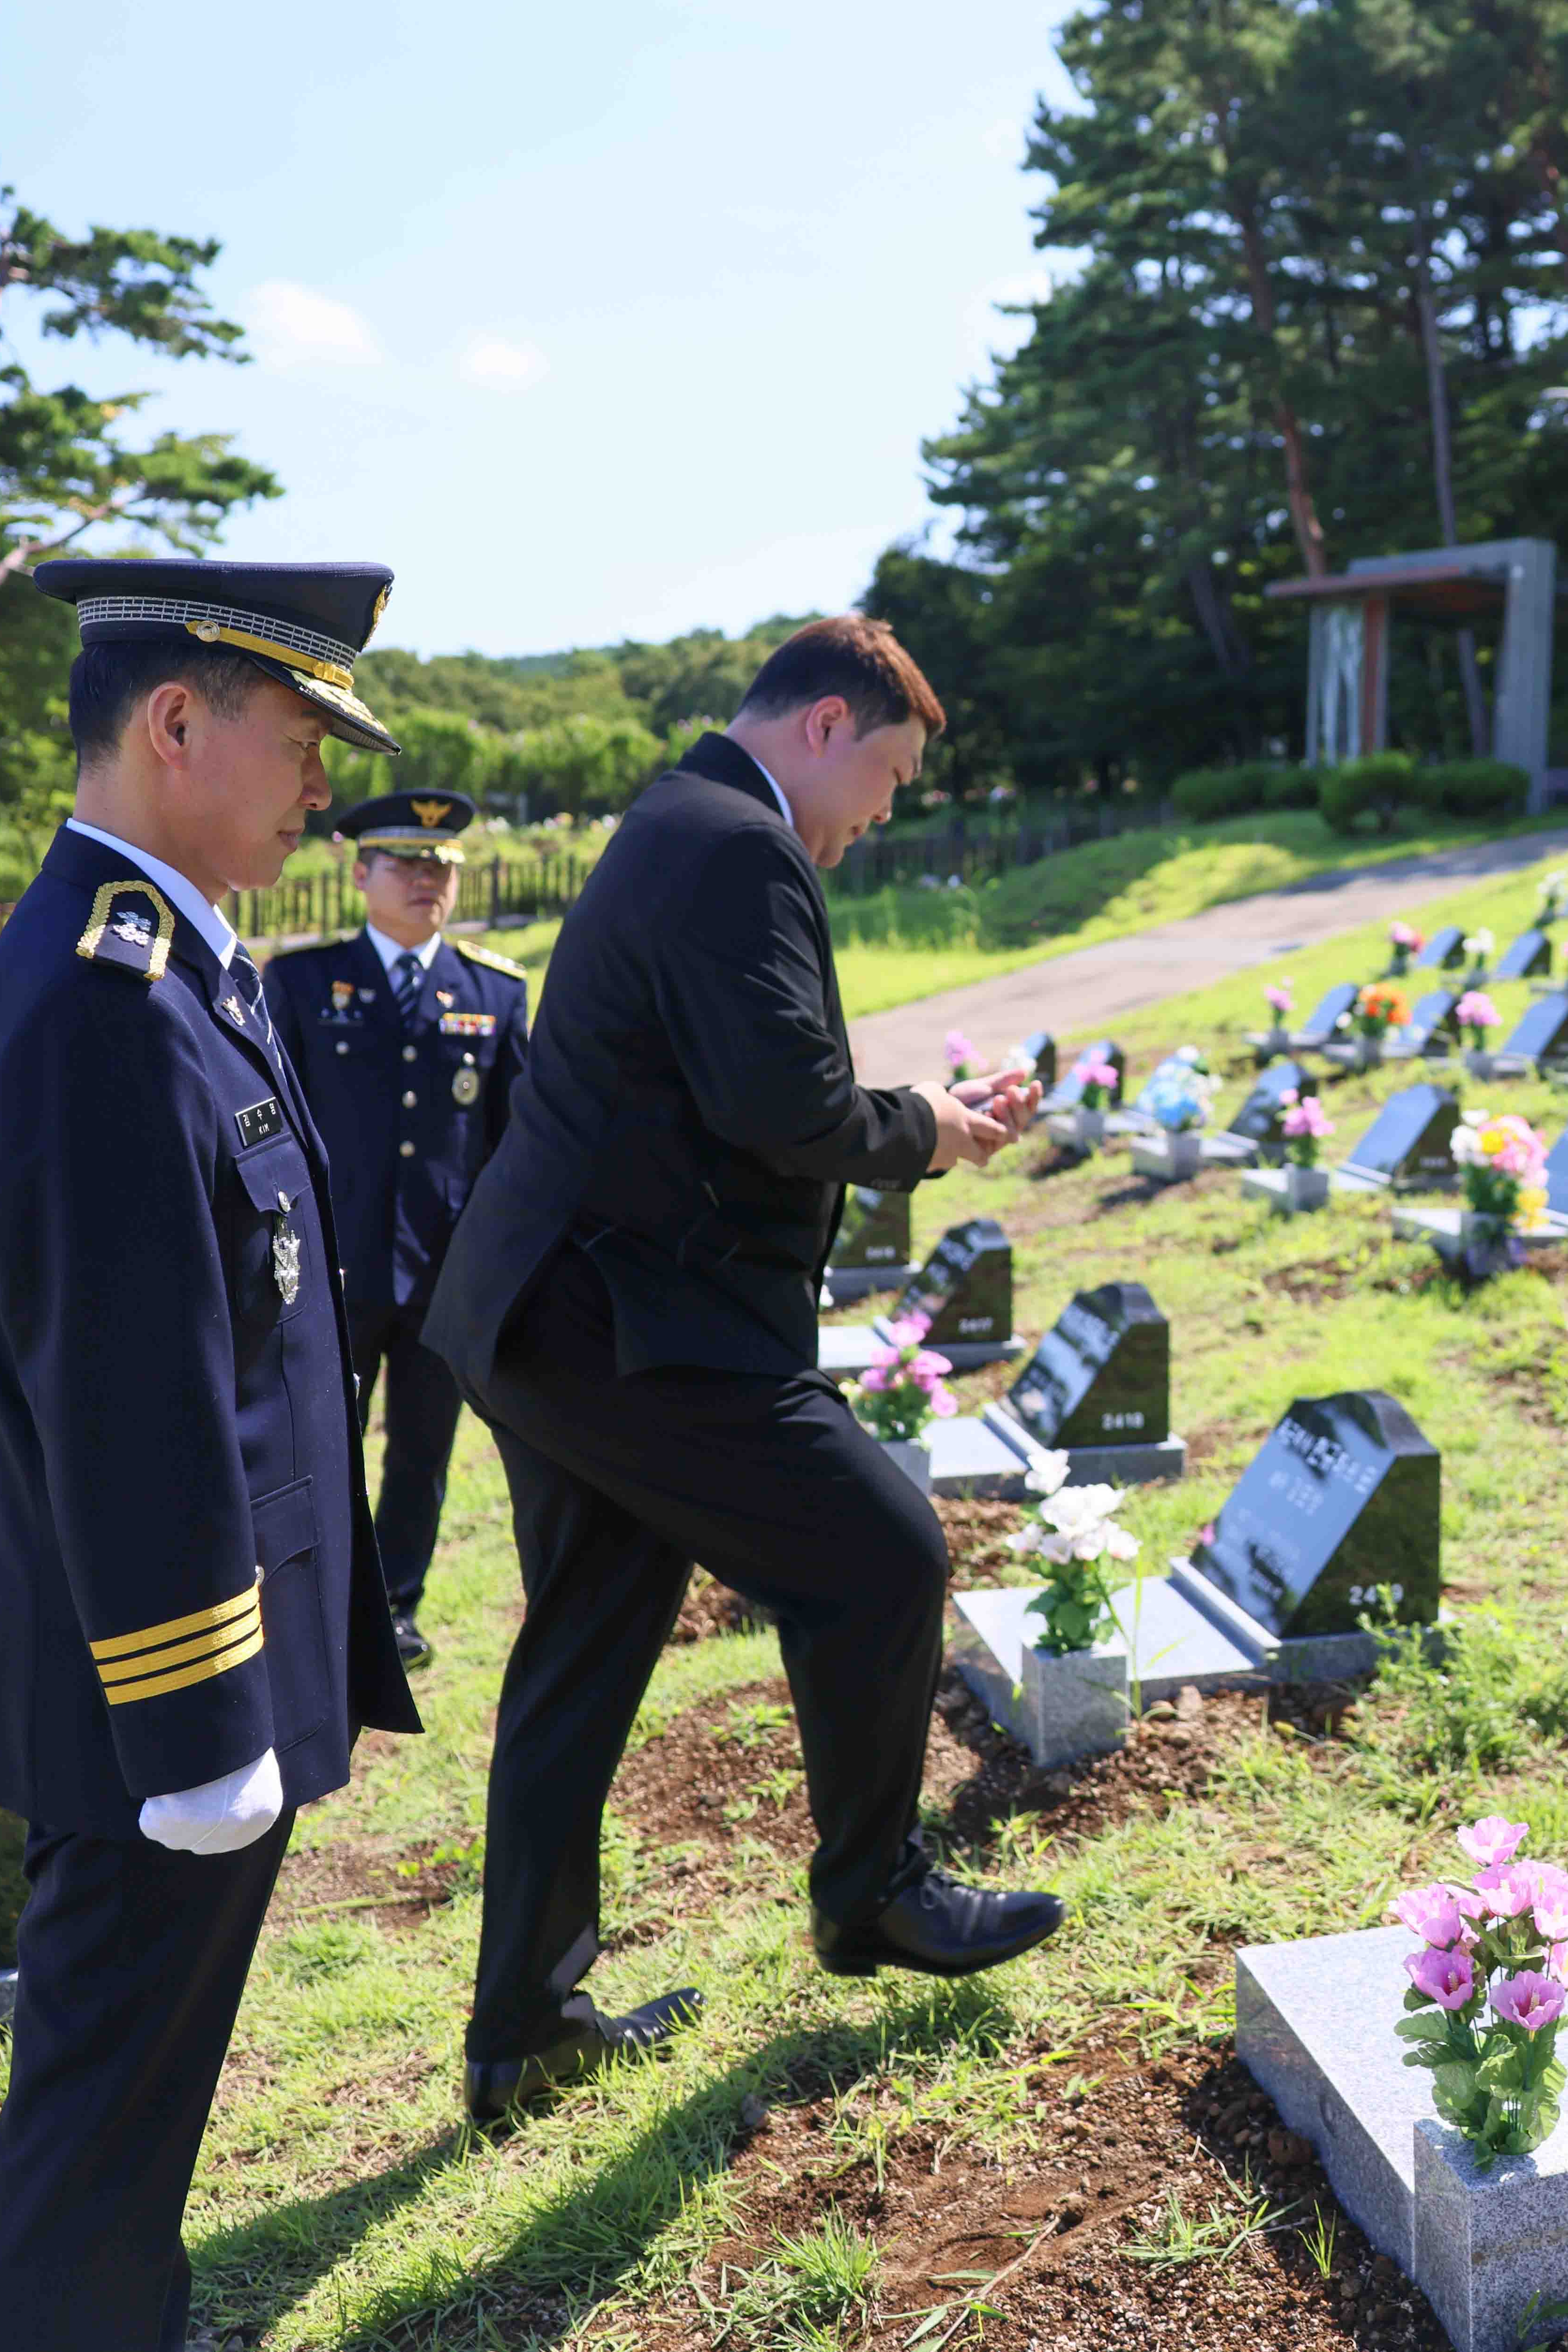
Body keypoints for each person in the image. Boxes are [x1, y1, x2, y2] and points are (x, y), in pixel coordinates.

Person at [423, 614, 1053, 2123]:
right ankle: (874, 1890)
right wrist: (932, 1128)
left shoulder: (676, 818)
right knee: (883, 1552)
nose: (884, 812)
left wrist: (903, 1111)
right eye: (890, 775)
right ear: (827, 726)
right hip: (632, 1323)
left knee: (581, 1652)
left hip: (545, 1313)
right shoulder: (734, 844)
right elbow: (780, 1098)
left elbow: (730, 1074)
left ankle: (523, 2022)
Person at [0, 558, 421, 2347]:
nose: (320, 789)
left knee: (137, 2105)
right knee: (97, 2109)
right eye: (301, 740)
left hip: (182, 1663)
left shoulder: (168, 964)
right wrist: (207, 1717)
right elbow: (133, 1403)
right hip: (155, 1688)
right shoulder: (101, 1000)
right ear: (173, 726)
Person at [263, 789, 527, 1670]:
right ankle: (316, 1607)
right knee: (318, 1446)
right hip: (329, 1270)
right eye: (409, 864)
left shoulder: (492, 993)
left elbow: (514, 1144)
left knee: (423, 1454)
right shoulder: (303, 984)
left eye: (443, 865)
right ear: (361, 873)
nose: (429, 880)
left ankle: (396, 1609)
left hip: (442, 1275)